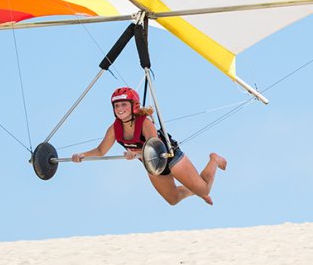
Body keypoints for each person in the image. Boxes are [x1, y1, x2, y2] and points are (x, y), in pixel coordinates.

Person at [72, 87, 227, 205]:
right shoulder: (114, 128)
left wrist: (135, 152)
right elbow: (101, 150)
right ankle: (194, 190)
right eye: (116, 105)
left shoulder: (144, 122)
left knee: (205, 189)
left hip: (170, 157)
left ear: (134, 105)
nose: (120, 109)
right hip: (153, 166)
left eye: (124, 104)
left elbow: (155, 144)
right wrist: (82, 155)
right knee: (173, 199)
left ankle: (214, 160)